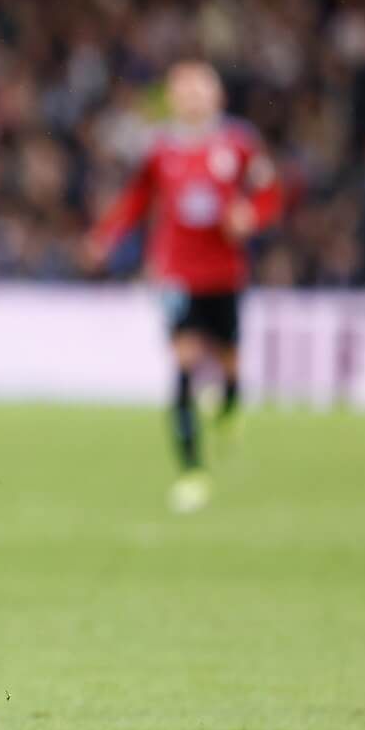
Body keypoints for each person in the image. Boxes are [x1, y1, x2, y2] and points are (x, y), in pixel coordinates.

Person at [86, 60, 282, 514]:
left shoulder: (239, 144)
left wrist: (252, 216)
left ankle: (231, 406)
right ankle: (192, 472)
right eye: (184, 90)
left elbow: (270, 192)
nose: (192, 97)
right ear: (173, 98)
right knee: (185, 361)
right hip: (176, 273)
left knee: (230, 362)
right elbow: (137, 199)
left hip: (225, 273)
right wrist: (106, 235)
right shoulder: (161, 151)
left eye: (200, 89)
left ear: (217, 97)